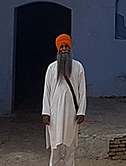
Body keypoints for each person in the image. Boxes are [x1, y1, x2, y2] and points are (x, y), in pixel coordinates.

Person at [42, 33, 87, 166]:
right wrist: (46, 113)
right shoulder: (51, 68)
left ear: (70, 47)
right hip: (54, 113)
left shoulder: (78, 67)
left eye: (66, 46)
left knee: (70, 146)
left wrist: (81, 112)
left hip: (71, 113)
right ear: (58, 49)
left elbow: (82, 91)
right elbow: (47, 91)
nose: (64, 49)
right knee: (55, 147)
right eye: (61, 46)